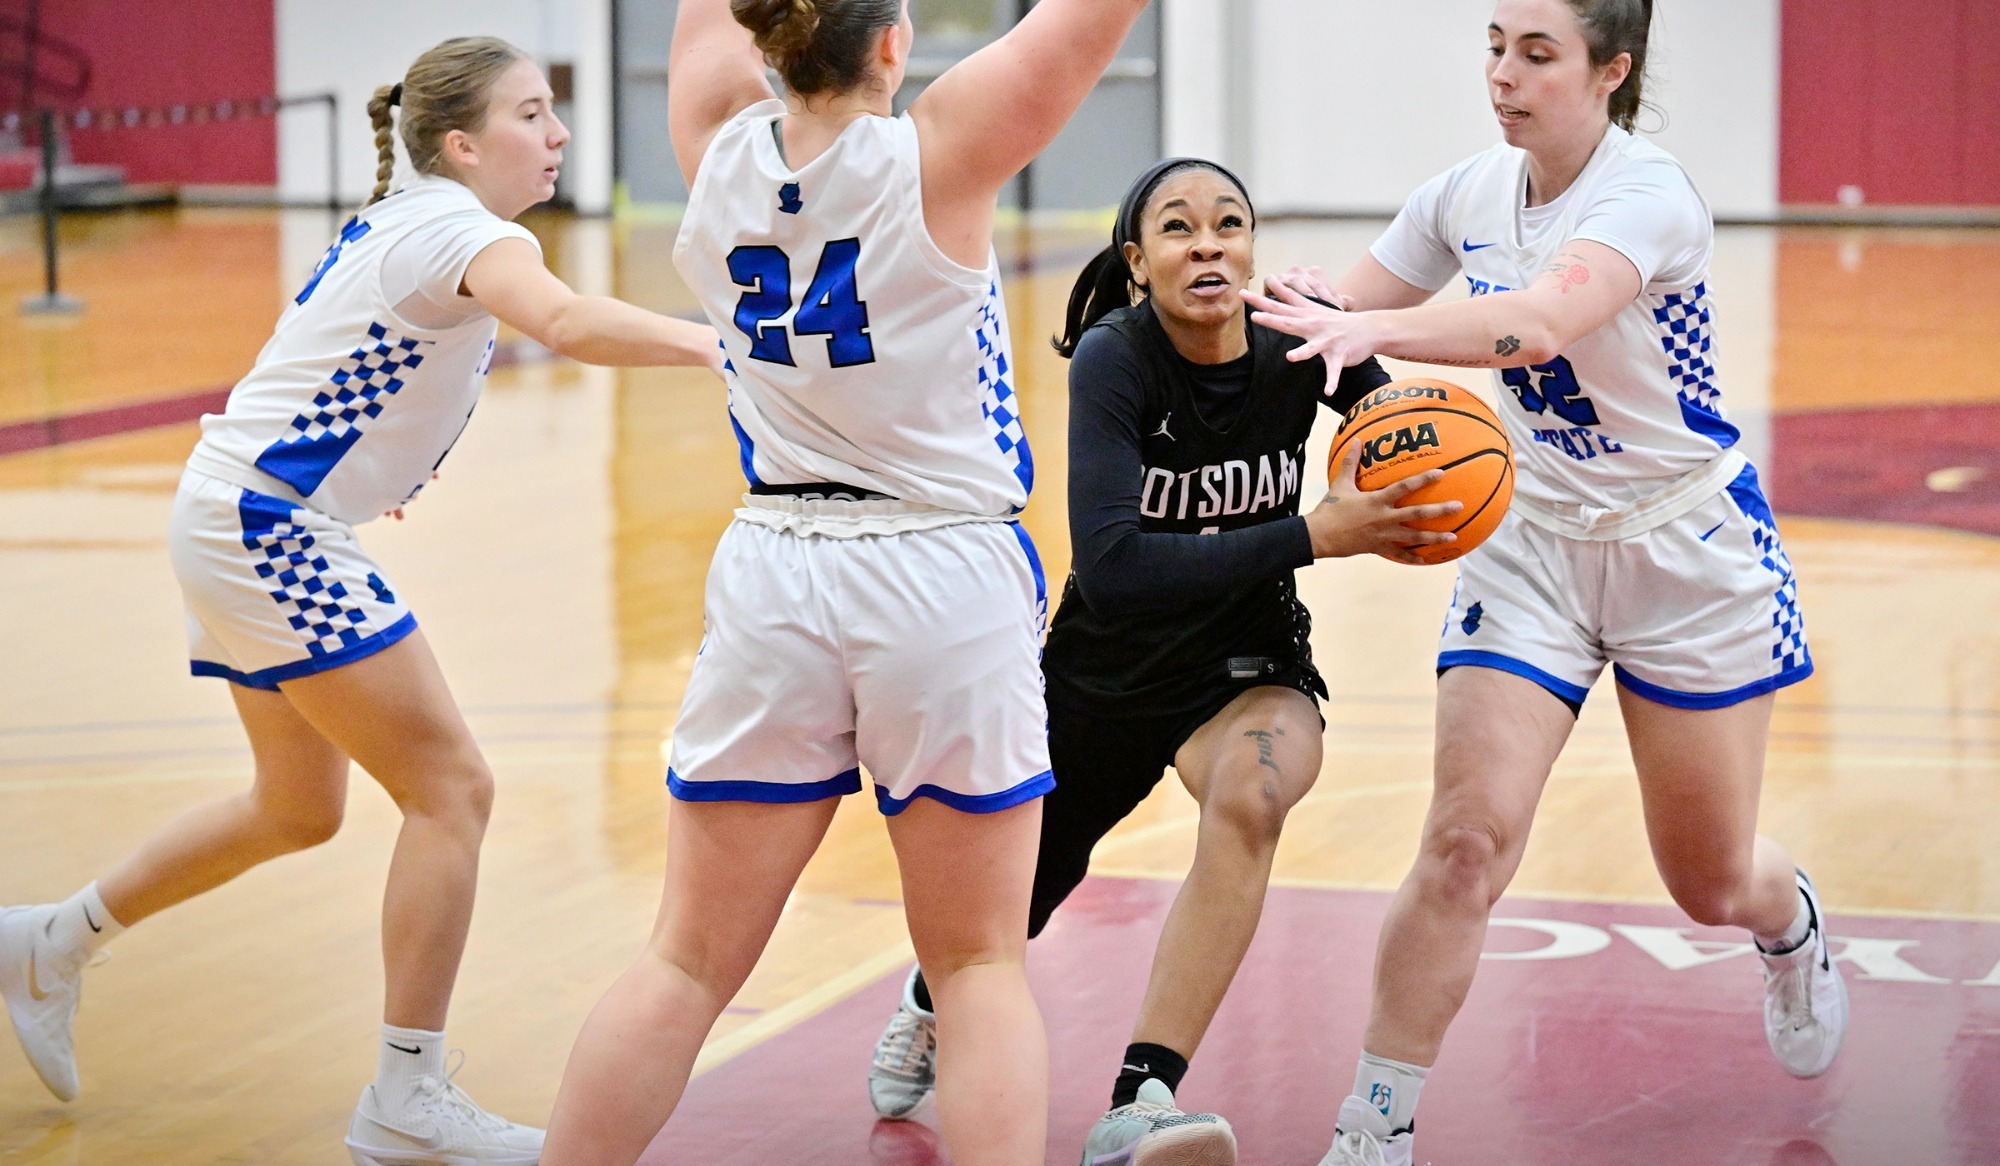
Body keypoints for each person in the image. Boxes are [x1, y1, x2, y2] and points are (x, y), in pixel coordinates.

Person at [0, 36, 721, 1166]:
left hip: (236, 510)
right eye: (533, 114)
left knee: (297, 805)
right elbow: (571, 325)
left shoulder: (410, 216)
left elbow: (344, 364)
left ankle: (49, 939)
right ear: (461, 142)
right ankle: (406, 1092)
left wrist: (373, 473)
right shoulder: (462, 228)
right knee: (453, 787)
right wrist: (726, 348)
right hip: (265, 527)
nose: (560, 134)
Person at [536, 2, 1152, 1164]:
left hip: (773, 568)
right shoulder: (941, 148)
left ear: (766, 42)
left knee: (681, 961)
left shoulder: (713, 135)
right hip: (936, 572)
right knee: (975, 967)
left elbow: (703, 31)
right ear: (890, 45)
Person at [1242, 1, 1847, 1162]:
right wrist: (1246, 320)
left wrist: (1369, 324)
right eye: (1492, 45)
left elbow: (1533, 322)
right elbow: (1336, 325)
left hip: (1685, 550)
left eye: (1535, 54)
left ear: (1609, 70)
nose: (1503, 75)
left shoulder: (1645, 196)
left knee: (1710, 879)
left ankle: (1790, 924)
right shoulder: (1466, 192)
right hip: (1534, 542)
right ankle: (1373, 1127)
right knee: (1465, 837)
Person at [863, 157, 1461, 1165]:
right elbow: (1113, 564)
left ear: (1252, 249)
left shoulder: (1291, 337)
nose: (1208, 243)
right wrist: (1315, 532)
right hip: (1108, 664)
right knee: (1029, 886)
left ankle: (1142, 1095)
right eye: (1179, 229)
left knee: (1252, 796)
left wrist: (1411, 452)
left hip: (1247, 659)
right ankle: (928, 997)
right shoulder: (1114, 358)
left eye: (1228, 224)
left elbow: (1405, 440)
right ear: (1139, 262)